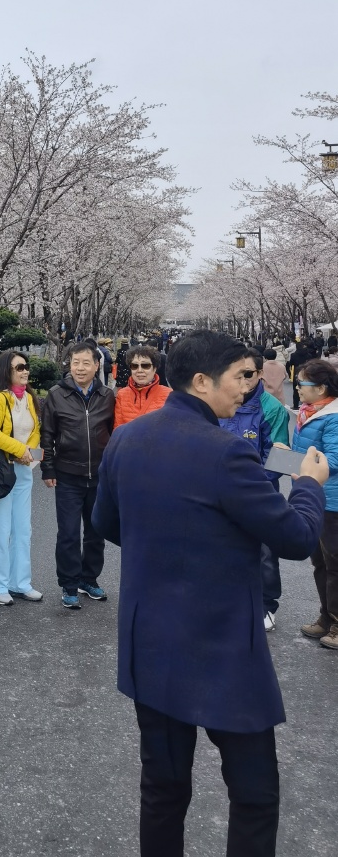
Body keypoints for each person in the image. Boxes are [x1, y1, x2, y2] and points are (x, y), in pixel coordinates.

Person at [92, 331, 326, 857]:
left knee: (163, 789)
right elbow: (295, 537)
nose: (251, 387)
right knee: (254, 792)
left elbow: (106, 521)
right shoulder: (226, 453)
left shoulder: (128, 439)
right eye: (243, 376)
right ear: (202, 380)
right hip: (221, 649)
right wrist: (309, 484)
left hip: (149, 639)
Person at [220, 348, 291, 632]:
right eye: (237, 374)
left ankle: (266, 604)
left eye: (248, 374)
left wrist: (246, 484)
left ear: (260, 374)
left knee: (264, 552)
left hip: (261, 494)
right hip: (221, 493)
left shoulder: (272, 408)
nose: (243, 380)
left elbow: (278, 457)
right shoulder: (222, 401)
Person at [40, 342, 115, 608]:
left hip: (99, 476)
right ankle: (69, 584)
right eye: (75, 362)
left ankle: (89, 579)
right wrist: (47, 467)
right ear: (69, 365)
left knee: (96, 533)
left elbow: (113, 433)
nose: (80, 368)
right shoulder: (56, 395)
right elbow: (47, 435)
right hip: (68, 474)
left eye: (86, 363)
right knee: (69, 533)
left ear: (97, 366)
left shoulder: (107, 395)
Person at [0, 350, 42, 605]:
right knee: (0, 530)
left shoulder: (28, 397)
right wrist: (18, 450)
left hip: (23, 472)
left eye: (26, 367)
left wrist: (29, 453)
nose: (25, 371)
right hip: (1, 472)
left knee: (22, 530)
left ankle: (20, 582)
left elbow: (35, 430)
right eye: (19, 368)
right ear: (7, 371)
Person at [290, 358, 338, 650]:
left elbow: (334, 458)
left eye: (302, 384)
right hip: (314, 495)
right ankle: (326, 617)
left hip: (332, 499)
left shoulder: (332, 416)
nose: (297, 388)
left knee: (335, 564)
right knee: (319, 562)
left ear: (321, 388)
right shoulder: (308, 412)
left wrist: (308, 467)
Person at [113, 346, 170, 429]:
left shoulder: (168, 394)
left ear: (154, 368)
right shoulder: (122, 395)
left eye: (145, 366)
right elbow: (118, 430)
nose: (139, 370)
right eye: (134, 366)